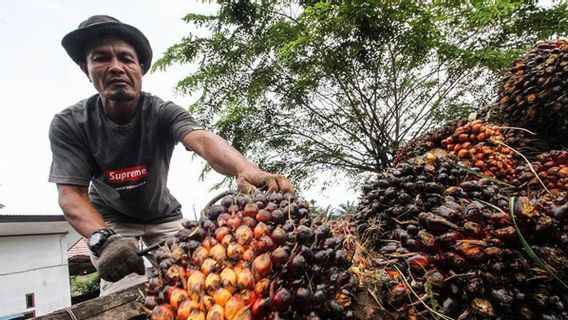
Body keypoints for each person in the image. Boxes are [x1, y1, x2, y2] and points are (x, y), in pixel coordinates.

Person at [49, 15, 293, 295]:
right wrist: (102, 238)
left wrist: (245, 168)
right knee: (122, 292)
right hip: (110, 219)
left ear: (140, 68)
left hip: (162, 214)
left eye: (126, 58)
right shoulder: (70, 124)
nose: (116, 67)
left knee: (196, 282)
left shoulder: (162, 112)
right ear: (86, 69)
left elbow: (202, 140)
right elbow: (71, 194)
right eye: (102, 58)